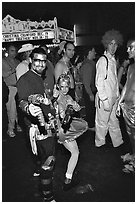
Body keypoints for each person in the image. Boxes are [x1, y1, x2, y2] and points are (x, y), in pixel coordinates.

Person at [17, 47, 57, 202]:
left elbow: (42, 100)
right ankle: (48, 197)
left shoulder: (40, 77)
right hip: (39, 130)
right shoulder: (25, 79)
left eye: (43, 60)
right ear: (30, 61)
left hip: (47, 125)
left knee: (44, 160)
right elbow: (22, 100)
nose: (40, 64)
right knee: (49, 162)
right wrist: (28, 108)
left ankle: (41, 175)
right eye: (37, 60)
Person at [53, 74, 88, 191]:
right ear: (58, 86)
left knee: (75, 152)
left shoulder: (67, 97)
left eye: (66, 86)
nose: (64, 89)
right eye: (62, 87)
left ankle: (68, 179)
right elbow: (62, 116)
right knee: (74, 153)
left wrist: (75, 106)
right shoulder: (57, 99)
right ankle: (66, 180)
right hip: (62, 129)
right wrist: (67, 110)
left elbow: (76, 107)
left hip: (66, 128)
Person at [95, 29, 124, 148]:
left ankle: (118, 143)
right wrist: (104, 100)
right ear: (106, 44)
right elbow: (99, 82)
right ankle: (100, 145)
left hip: (113, 98)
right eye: (110, 44)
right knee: (102, 124)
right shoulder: (103, 60)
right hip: (105, 99)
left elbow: (114, 81)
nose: (113, 47)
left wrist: (117, 98)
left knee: (114, 122)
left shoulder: (112, 60)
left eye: (115, 44)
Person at [116, 38, 135, 173]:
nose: (128, 50)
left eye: (131, 47)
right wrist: (119, 103)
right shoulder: (131, 67)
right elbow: (126, 86)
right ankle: (134, 156)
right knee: (131, 136)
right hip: (127, 107)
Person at [2, 43, 22, 137]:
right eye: (11, 51)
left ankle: (17, 125)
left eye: (15, 51)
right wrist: (12, 70)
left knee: (18, 109)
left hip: (18, 87)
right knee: (11, 109)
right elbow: (3, 74)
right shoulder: (3, 61)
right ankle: (10, 128)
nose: (13, 53)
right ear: (7, 51)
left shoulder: (18, 61)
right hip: (9, 88)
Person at [80, 47, 97, 128]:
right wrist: (90, 94)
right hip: (89, 90)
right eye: (93, 51)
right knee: (90, 110)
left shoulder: (88, 63)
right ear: (89, 52)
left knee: (90, 109)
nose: (95, 53)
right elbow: (86, 82)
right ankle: (91, 127)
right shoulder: (88, 65)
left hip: (89, 89)